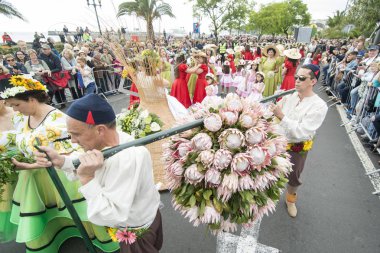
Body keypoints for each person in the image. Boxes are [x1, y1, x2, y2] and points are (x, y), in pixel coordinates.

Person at [0, 77, 119, 252]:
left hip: (63, 178)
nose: (14, 109)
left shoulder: (57, 120)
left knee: (78, 213)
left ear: (31, 100)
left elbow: (73, 153)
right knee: (50, 216)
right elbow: (18, 139)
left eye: (17, 105)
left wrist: (34, 165)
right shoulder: (21, 119)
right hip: (37, 179)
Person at [34, 94, 163, 253]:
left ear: (100, 130)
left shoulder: (128, 158)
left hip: (137, 230)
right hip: (145, 217)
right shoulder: (113, 139)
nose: (73, 140)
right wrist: (62, 161)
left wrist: (87, 179)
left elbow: (112, 215)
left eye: (76, 134)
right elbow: (86, 158)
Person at [270, 64, 328, 218]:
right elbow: (273, 114)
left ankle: (290, 200)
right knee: (267, 170)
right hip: (277, 142)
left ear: (313, 81)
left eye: (302, 78)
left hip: (297, 146)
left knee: (293, 177)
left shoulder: (320, 106)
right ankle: (264, 196)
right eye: (296, 77)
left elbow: (302, 131)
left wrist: (281, 116)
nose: (297, 81)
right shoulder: (290, 95)